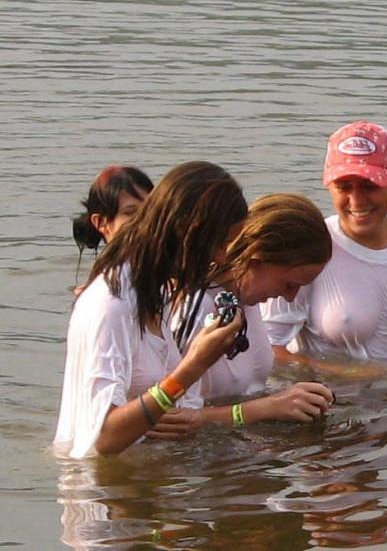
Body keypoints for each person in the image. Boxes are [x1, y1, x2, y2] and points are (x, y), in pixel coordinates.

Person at [54, 161, 248, 458]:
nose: (222, 257)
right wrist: (193, 366)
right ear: (188, 232)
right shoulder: (112, 304)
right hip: (102, 497)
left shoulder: (157, 293)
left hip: (146, 485)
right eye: (220, 243)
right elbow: (102, 438)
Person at [261, 120, 387, 364]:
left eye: (369, 186)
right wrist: (346, 375)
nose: (356, 200)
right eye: (344, 187)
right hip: (338, 399)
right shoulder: (307, 246)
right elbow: (269, 349)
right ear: (329, 186)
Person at [163, 193, 335, 435]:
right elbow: (157, 417)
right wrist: (261, 410)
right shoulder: (192, 306)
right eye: (289, 285)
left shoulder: (247, 302)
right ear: (256, 260)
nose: (290, 298)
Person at [72, 165, 154, 292]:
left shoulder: (167, 268)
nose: (145, 219)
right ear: (100, 222)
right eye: (130, 212)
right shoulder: (102, 292)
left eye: (149, 209)